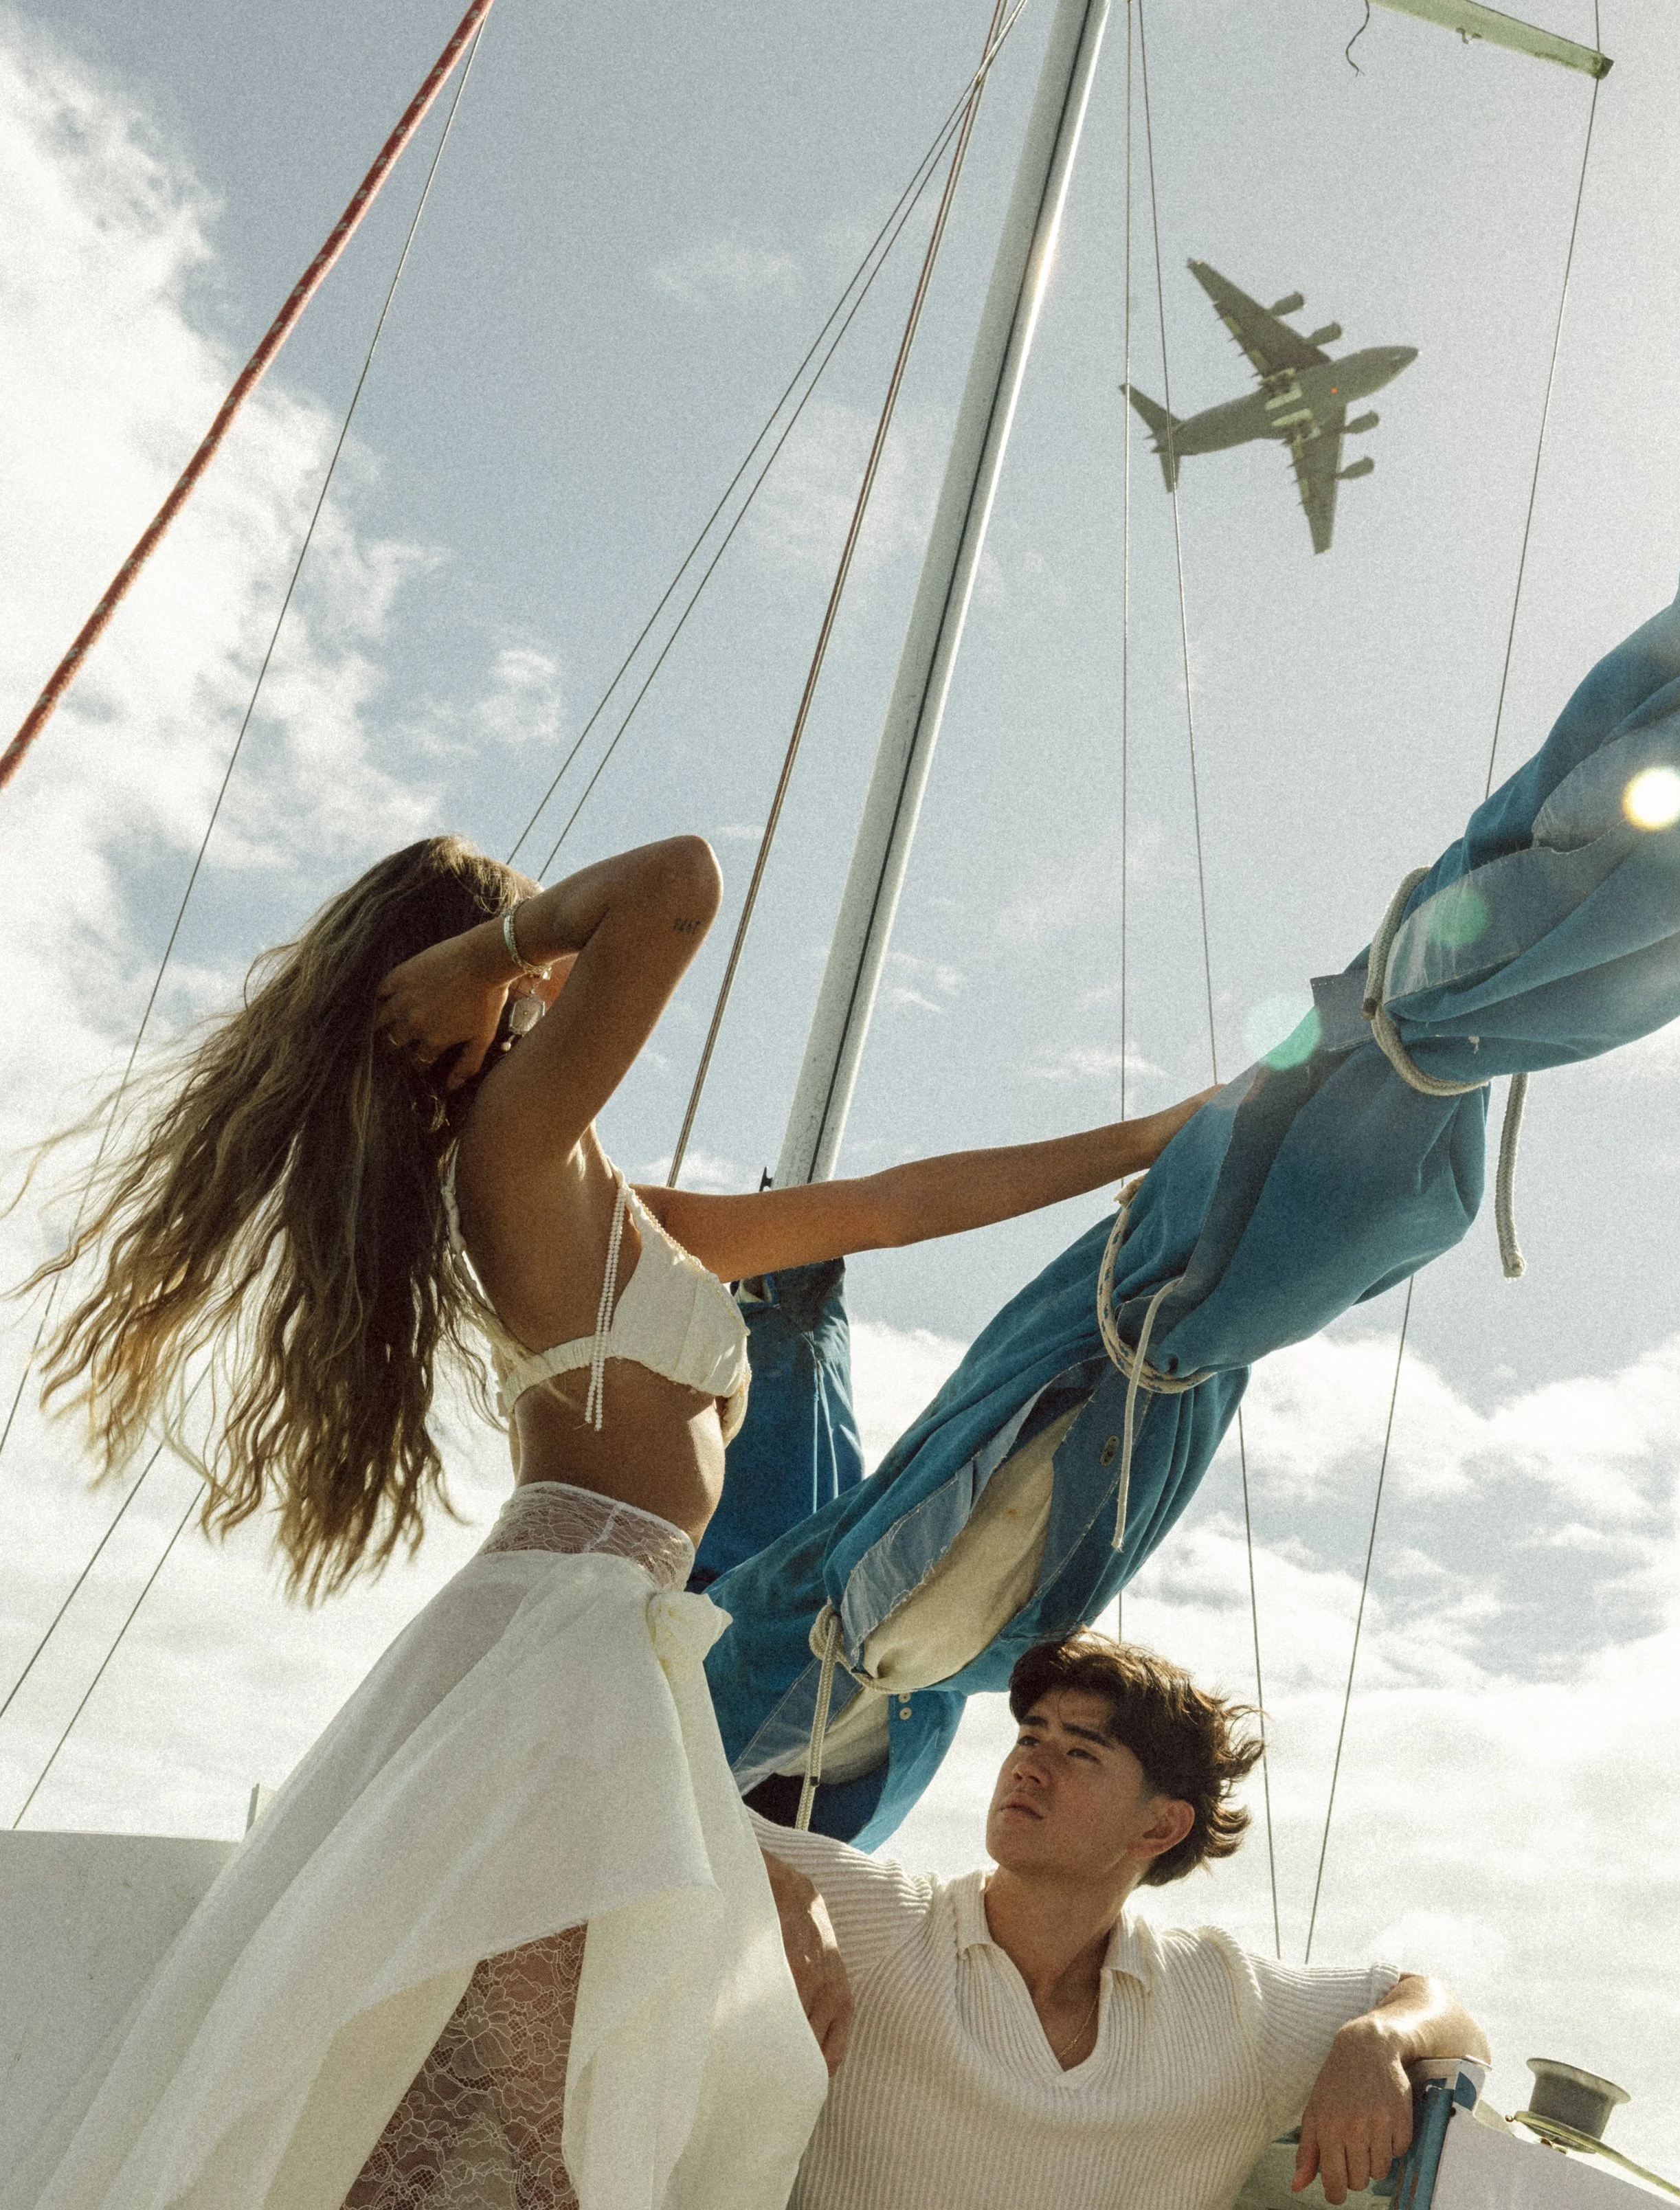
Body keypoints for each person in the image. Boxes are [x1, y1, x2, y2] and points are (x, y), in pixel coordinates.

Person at [12, 832, 1213, 2210]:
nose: (566, 959)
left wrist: (1148, 1140)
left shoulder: (588, 1193)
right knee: (548, 2090)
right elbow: (679, 886)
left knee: (550, 2075)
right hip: (578, 1620)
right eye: (537, 939)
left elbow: (885, 1211)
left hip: (612, 1627)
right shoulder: (513, 1147)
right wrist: (474, 960)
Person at [754, 1629, 1489, 2210]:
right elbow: (660, 1799)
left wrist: (1375, 2037)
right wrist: (777, 1882)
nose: (1030, 1767)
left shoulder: (1224, 2006)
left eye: (1080, 1753)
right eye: (1029, 1737)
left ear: (1160, 1828)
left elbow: (1450, 2019)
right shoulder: (884, 1920)